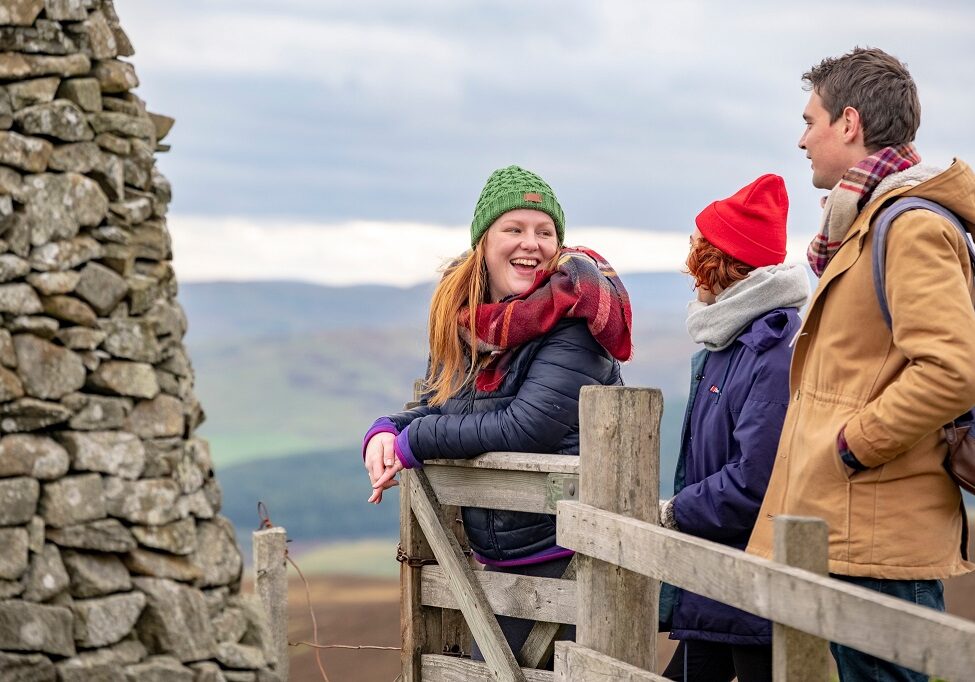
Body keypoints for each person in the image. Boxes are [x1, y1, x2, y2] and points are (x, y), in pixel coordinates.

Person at [746, 47, 975, 681]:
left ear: (848, 123)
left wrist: (853, 445)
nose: (802, 138)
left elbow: (952, 369)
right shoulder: (863, 224)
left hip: (880, 529)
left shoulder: (910, 227)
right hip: (854, 524)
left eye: (811, 120)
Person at [361, 165, 632, 665]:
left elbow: (526, 426)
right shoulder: (470, 325)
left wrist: (413, 444)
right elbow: (443, 402)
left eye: (544, 232)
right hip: (497, 563)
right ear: (483, 243)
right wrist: (386, 429)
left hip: (567, 562)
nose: (531, 244)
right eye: (514, 229)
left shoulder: (575, 324)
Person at [658, 175, 809, 682]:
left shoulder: (769, 351)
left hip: (751, 592)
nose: (690, 273)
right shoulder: (731, 341)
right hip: (716, 584)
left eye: (697, 257)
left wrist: (676, 511)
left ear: (719, 264)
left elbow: (756, 480)